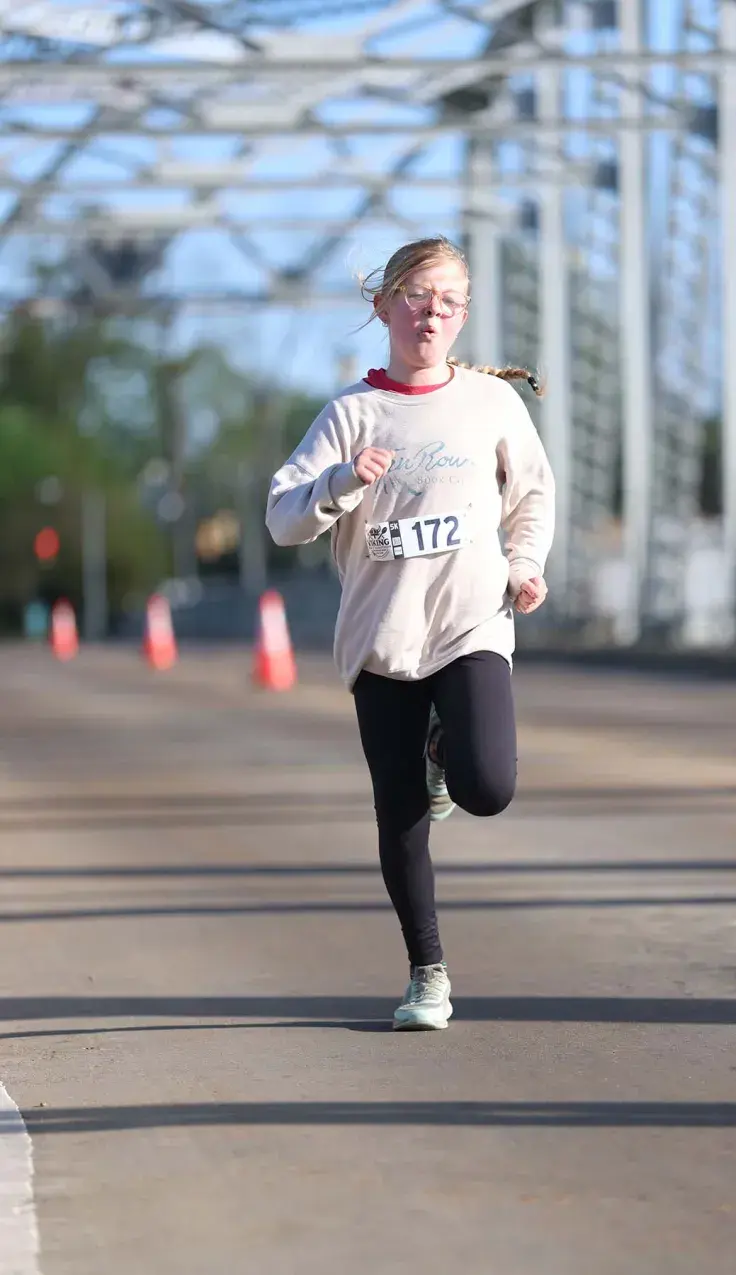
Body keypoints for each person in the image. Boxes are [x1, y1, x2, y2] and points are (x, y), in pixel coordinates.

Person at [266, 236, 555, 1030]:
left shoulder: (491, 403)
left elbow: (532, 494)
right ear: (384, 305)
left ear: (463, 316)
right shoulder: (351, 414)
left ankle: (444, 754)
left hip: (471, 622)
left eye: (449, 302)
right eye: (418, 297)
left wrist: (524, 564)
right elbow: (283, 517)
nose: (432, 314)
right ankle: (428, 973)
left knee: (487, 786)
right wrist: (340, 481)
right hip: (383, 638)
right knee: (400, 816)